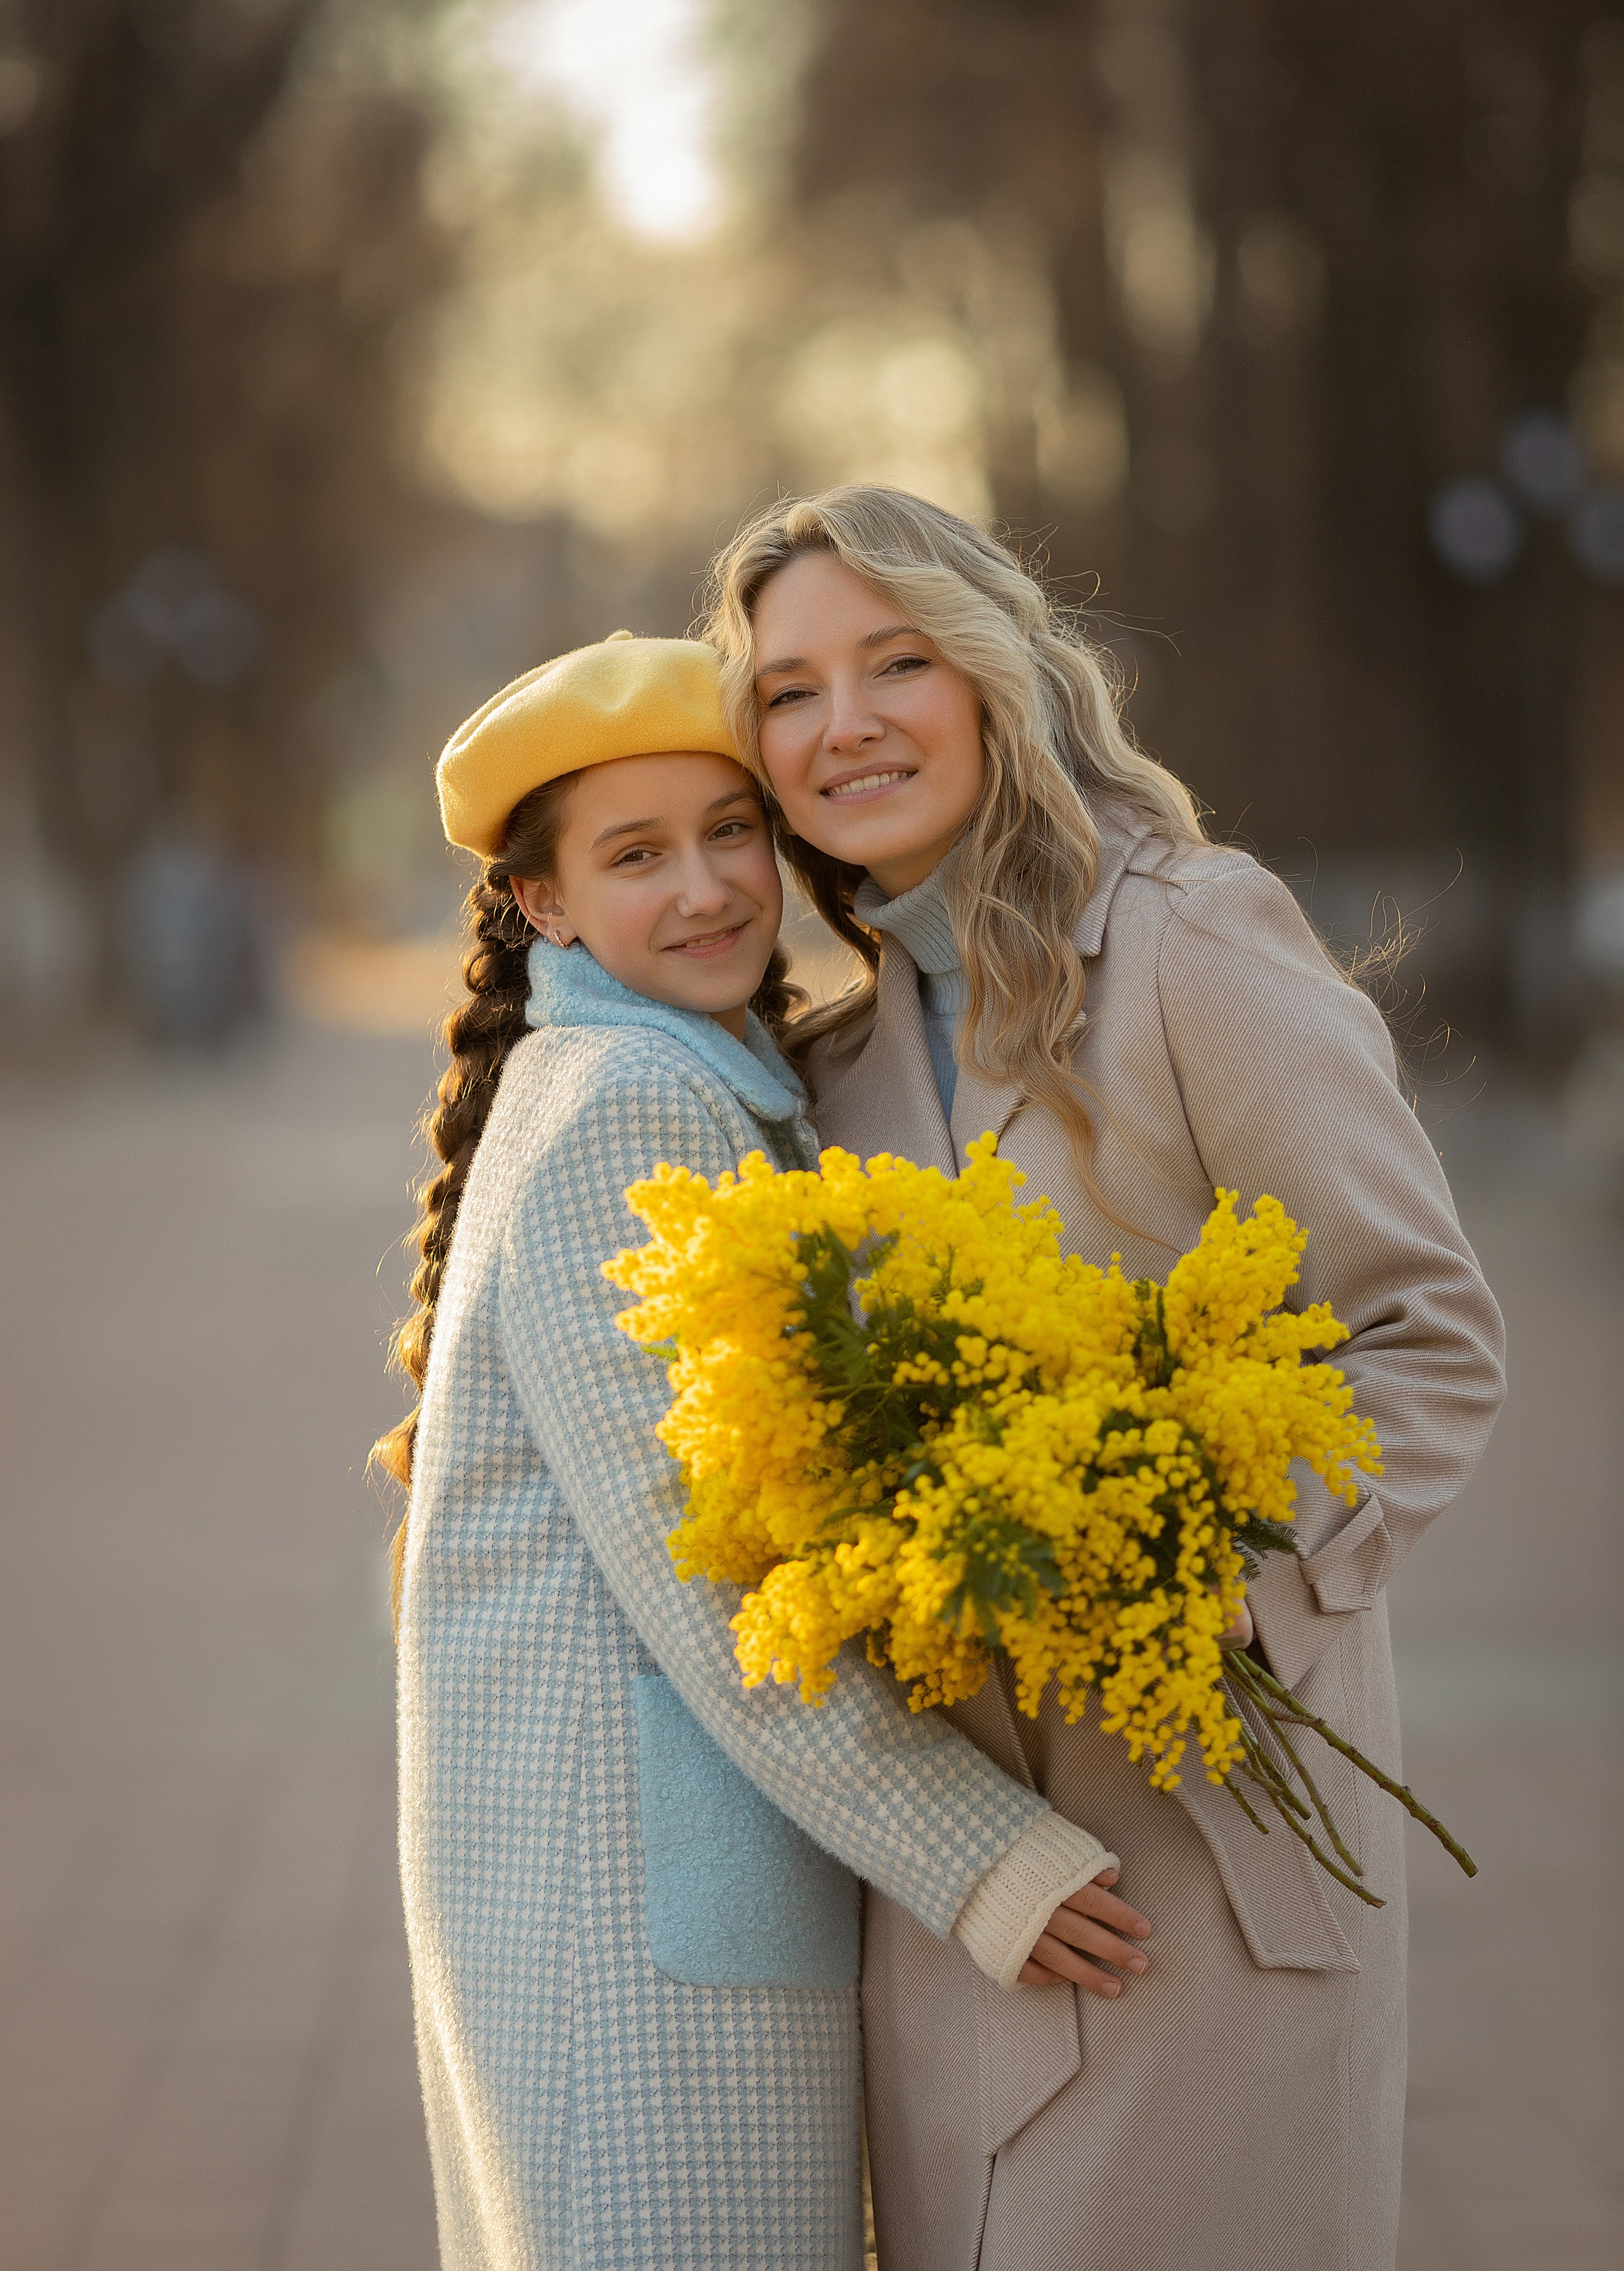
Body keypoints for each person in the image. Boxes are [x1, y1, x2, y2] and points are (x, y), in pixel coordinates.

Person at [706, 489, 1508, 2271]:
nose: (843, 724)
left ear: (994, 676)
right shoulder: (818, 1071)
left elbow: (1426, 1335)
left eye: (893, 662)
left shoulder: (1187, 940)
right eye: (788, 691)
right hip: (960, 1909)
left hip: (1204, 1876)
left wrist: (1184, 1566)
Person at [379, 632, 1146, 2271]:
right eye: (637, 856)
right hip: (633, 1939)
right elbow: (713, 1583)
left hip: (669, 1911)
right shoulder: (629, 1114)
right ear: (546, 906)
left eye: (733, 832)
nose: (713, 887)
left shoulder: (685, 1079)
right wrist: (984, 1854)